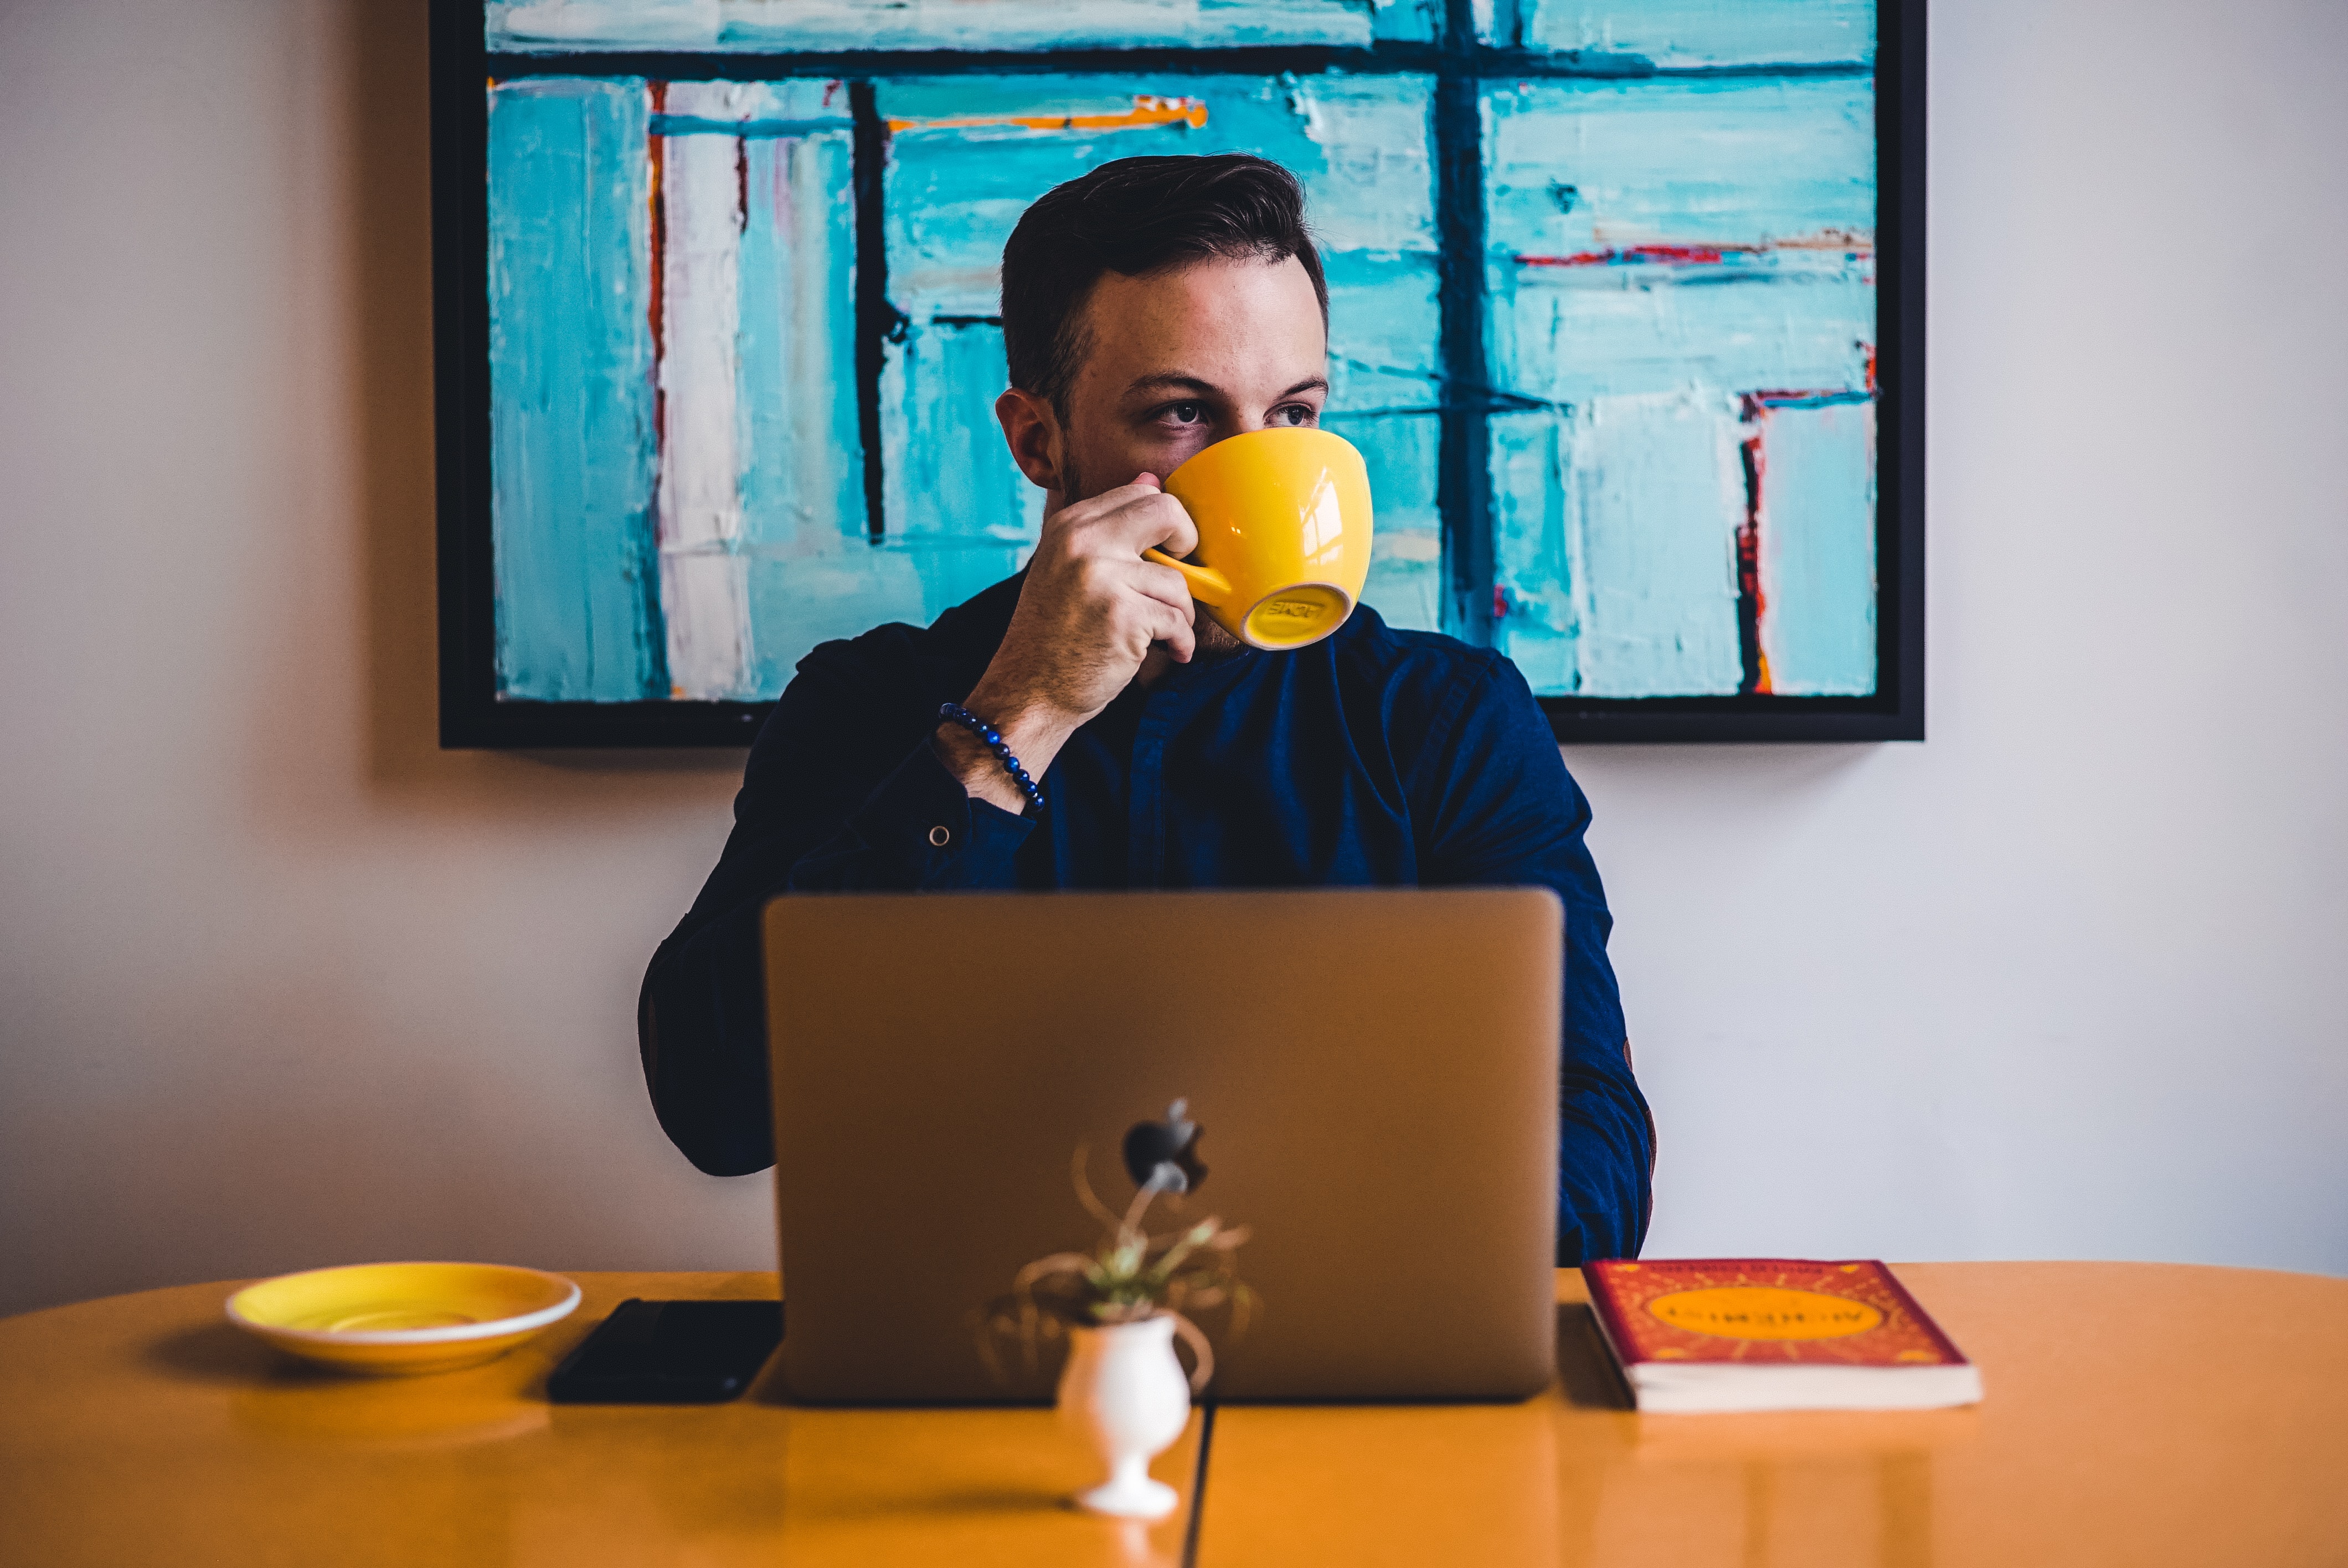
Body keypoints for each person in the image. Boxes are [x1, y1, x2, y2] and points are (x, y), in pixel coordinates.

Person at [638, 153, 1654, 1263]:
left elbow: (1590, 1134)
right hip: (975, 1379)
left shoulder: (1443, 722)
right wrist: (1010, 720)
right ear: (1038, 440)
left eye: (1293, 413)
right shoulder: (873, 706)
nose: (1258, 466)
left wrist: (1364, 1255)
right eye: (1183, 414)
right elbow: (718, 1107)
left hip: (1355, 1376)